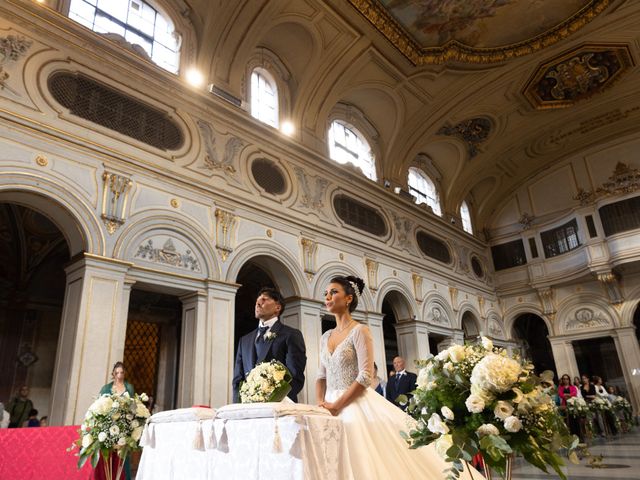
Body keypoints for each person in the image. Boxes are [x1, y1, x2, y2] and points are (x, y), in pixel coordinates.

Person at [316, 275, 481, 479]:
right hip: (328, 405)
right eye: (326, 294)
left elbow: (365, 376)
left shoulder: (360, 330)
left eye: (334, 292)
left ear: (348, 298)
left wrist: (338, 405)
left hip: (353, 404)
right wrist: (321, 403)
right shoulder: (325, 337)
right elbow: (321, 375)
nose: (328, 297)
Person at [233, 287, 307, 402]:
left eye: (264, 299)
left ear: (277, 307)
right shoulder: (244, 340)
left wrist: (273, 401)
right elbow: (238, 380)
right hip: (248, 409)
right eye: (257, 300)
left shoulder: (291, 334)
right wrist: (238, 406)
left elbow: (295, 376)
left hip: (279, 408)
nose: (258, 303)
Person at [98, 362, 134, 480]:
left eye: (122, 372)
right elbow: (100, 405)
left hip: (123, 425)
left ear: (125, 374)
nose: (119, 375)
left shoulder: (128, 387)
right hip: (108, 425)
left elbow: (133, 406)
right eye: (117, 372)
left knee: (122, 456)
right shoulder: (106, 388)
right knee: (108, 456)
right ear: (113, 373)